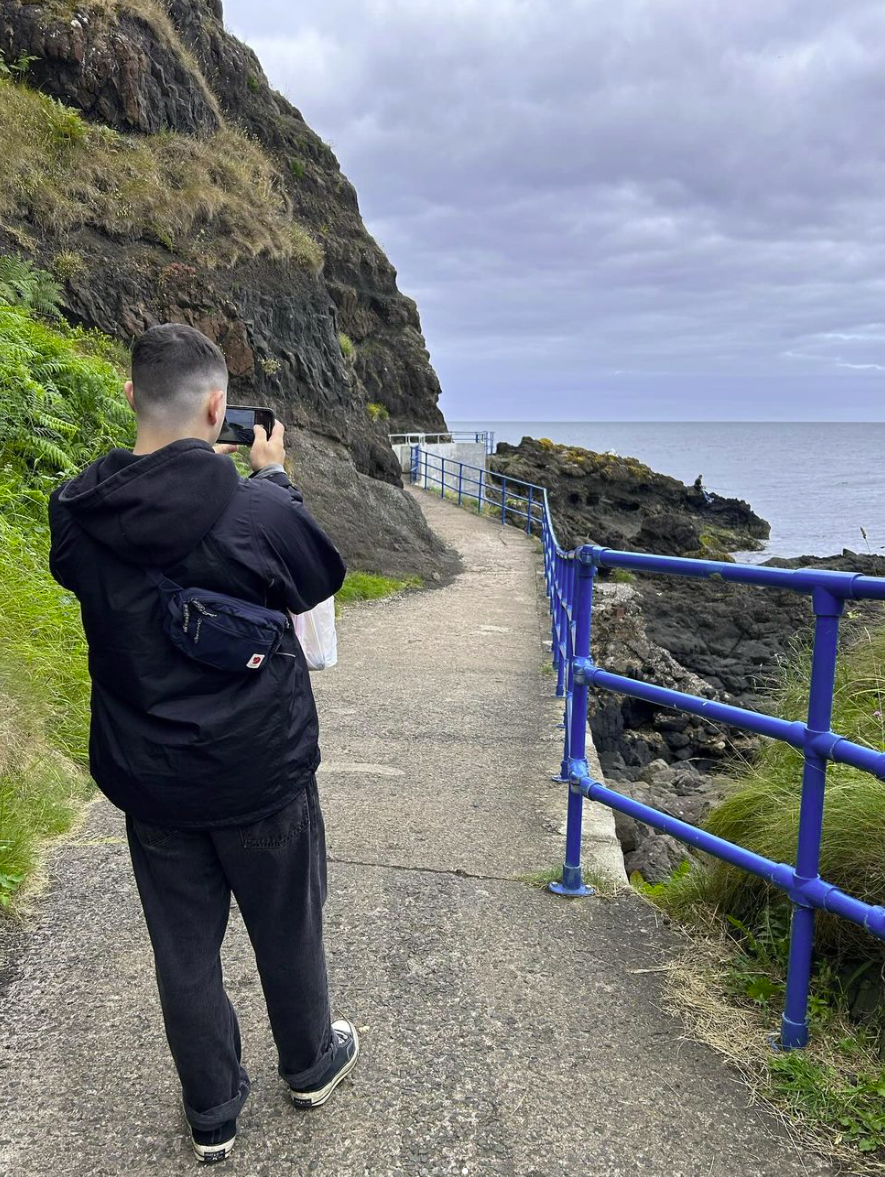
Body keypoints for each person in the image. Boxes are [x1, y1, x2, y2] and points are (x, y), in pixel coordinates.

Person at [48, 323, 357, 1164]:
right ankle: (309, 1063)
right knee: (287, 926)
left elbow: (80, 572)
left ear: (127, 397)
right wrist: (277, 476)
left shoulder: (77, 508)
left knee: (182, 945)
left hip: (149, 775)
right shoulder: (255, 506)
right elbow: (318, 579)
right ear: (219, 408)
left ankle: (212, 1110)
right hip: (261, 768)